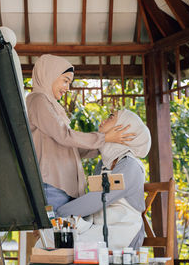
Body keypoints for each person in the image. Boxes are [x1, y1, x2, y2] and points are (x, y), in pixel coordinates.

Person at [26, 54, 135, 213]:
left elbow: (71, 149)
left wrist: (102, 146)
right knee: (53, 236)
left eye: (69, 82)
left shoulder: (52, 105)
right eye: (65, 80)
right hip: (51, 185)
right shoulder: (37, 100)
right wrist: (103, 138)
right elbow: (64, 135)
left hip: (60, 187)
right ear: (49, 74)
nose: (67, 88)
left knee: (63, 236)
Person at [56, 109, 152, 250]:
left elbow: (98, 198)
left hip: (123, 233)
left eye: (111, 117)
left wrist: (58, 214)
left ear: (123, 127)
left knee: (64, 246)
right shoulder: (104, 164)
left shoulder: (130, 165)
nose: (103, 121)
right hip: (99, 229)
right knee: (57, 240)